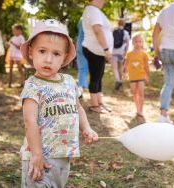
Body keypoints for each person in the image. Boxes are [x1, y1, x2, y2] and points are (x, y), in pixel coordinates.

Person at [19, 19, 98, 187]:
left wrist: (87, 128)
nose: (48, 59)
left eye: (56, 54)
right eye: (42, 51)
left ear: (64, 58)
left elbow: (78, 108)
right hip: (39, 157)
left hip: (63, 155)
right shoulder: (33, 85)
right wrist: (36, 154)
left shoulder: (69, 81)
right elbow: (29, 121)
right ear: (31, 52)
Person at [82, 0, 113, 113]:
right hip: (94, 50)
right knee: (95, 78)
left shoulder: (93, 10)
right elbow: (97, 30)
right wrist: (106, 50)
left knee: (99, 78)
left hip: (97, 51)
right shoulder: (93, 10)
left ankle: (100, 103)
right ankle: (95, 105)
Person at [124, 34, 150, 124]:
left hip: (141, 77)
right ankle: (137, 108)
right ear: (133, 42)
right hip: (132, 77)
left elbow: (147, 66)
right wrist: (124, 73)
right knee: (135, 93)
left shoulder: (144, 54)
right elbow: (126, 64)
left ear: (142, 43)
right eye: (136, 41)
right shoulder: (129, 54)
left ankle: (140, 110)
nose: (138, 43)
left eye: (140, 41)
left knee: (141, 93)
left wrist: (147, 76)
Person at [112, 19, 130, 91]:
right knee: (120, 67)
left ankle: (118, 80)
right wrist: (125, 52)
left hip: (114, 52)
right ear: (124, 24)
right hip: (121, 52)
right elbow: (128, 44)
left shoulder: (113, 31)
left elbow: (110, 42)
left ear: (118, 23)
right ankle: (120, 81)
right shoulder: (126, 33)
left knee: (114, 68)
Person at [8, 24, 26, 88]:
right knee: (10, 69)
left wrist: (13, 43)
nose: (13, 32)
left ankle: (23, 83)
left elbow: (20, 47)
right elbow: (9, 46)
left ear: (19, 30)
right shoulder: (13, 37)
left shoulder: (21, 37)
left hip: (17, 55)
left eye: (14, 30)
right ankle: (9, 83)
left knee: (19, 69)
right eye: (13, 31)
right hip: (12, 55)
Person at [76, 19, 89, 97]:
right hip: (87, 46)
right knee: (85, 69)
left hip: (79, 45)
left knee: (82, 69)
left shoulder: (81, 20)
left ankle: (81, 88)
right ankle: (81, 88)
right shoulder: (90, 20)